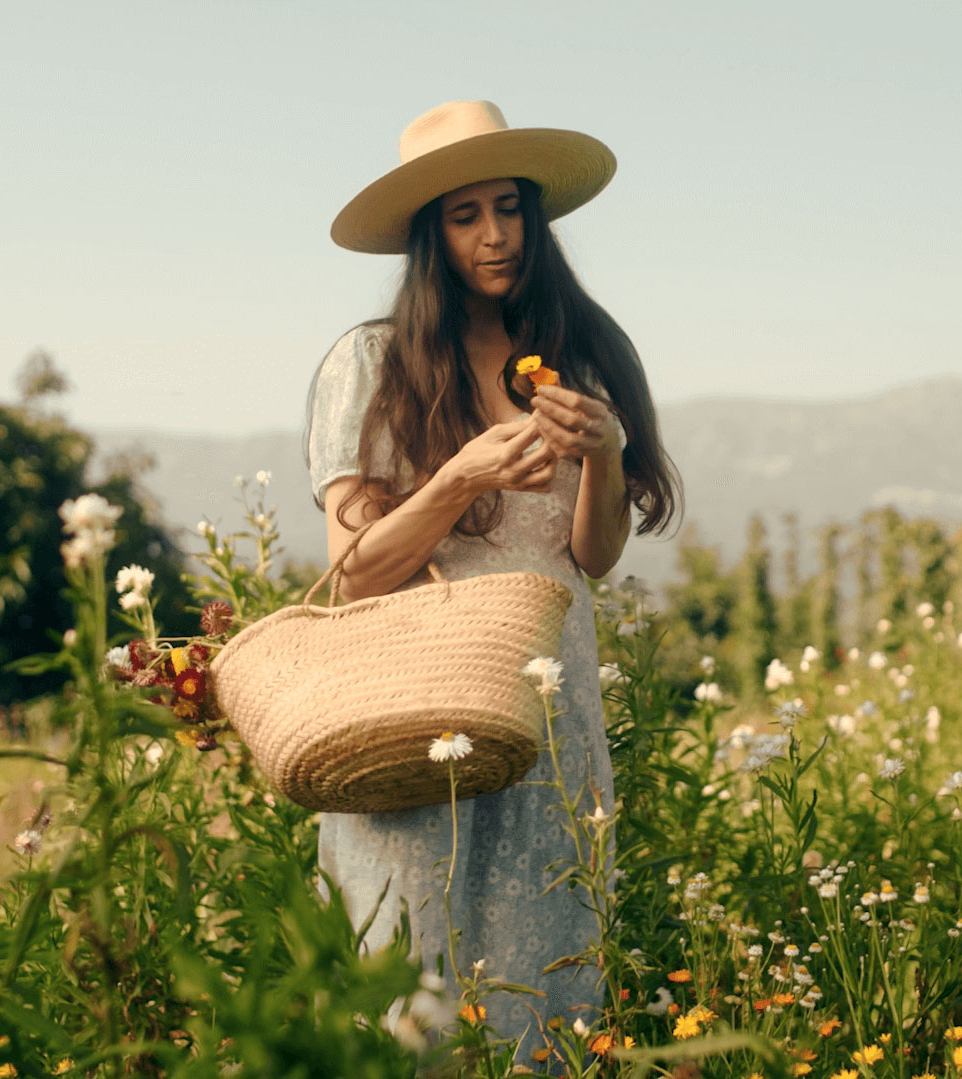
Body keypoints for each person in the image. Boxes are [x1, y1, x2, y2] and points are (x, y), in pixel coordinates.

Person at [304, 100, 681, 1065]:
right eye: (465, 214)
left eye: (509, 208)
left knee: (544, 978)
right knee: (404, 976)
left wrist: (604, 451)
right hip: (411, 707)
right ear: (431, 235)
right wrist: (461, 475)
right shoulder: (370, 363)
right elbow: (358, 572)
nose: (495, 234)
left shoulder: (586, 353)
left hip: (549, 710)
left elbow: (590, 558)